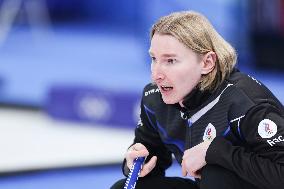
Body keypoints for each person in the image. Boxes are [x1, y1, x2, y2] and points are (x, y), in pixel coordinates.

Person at [111, 11, 284, 189]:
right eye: (154, 59)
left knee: (215, 175)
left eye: (170, 61)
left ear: (207, 63)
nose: (156, 75)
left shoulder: (244, 101)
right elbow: (151, 156)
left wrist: (215, 151)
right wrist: (136, 162)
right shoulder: (155, 99)